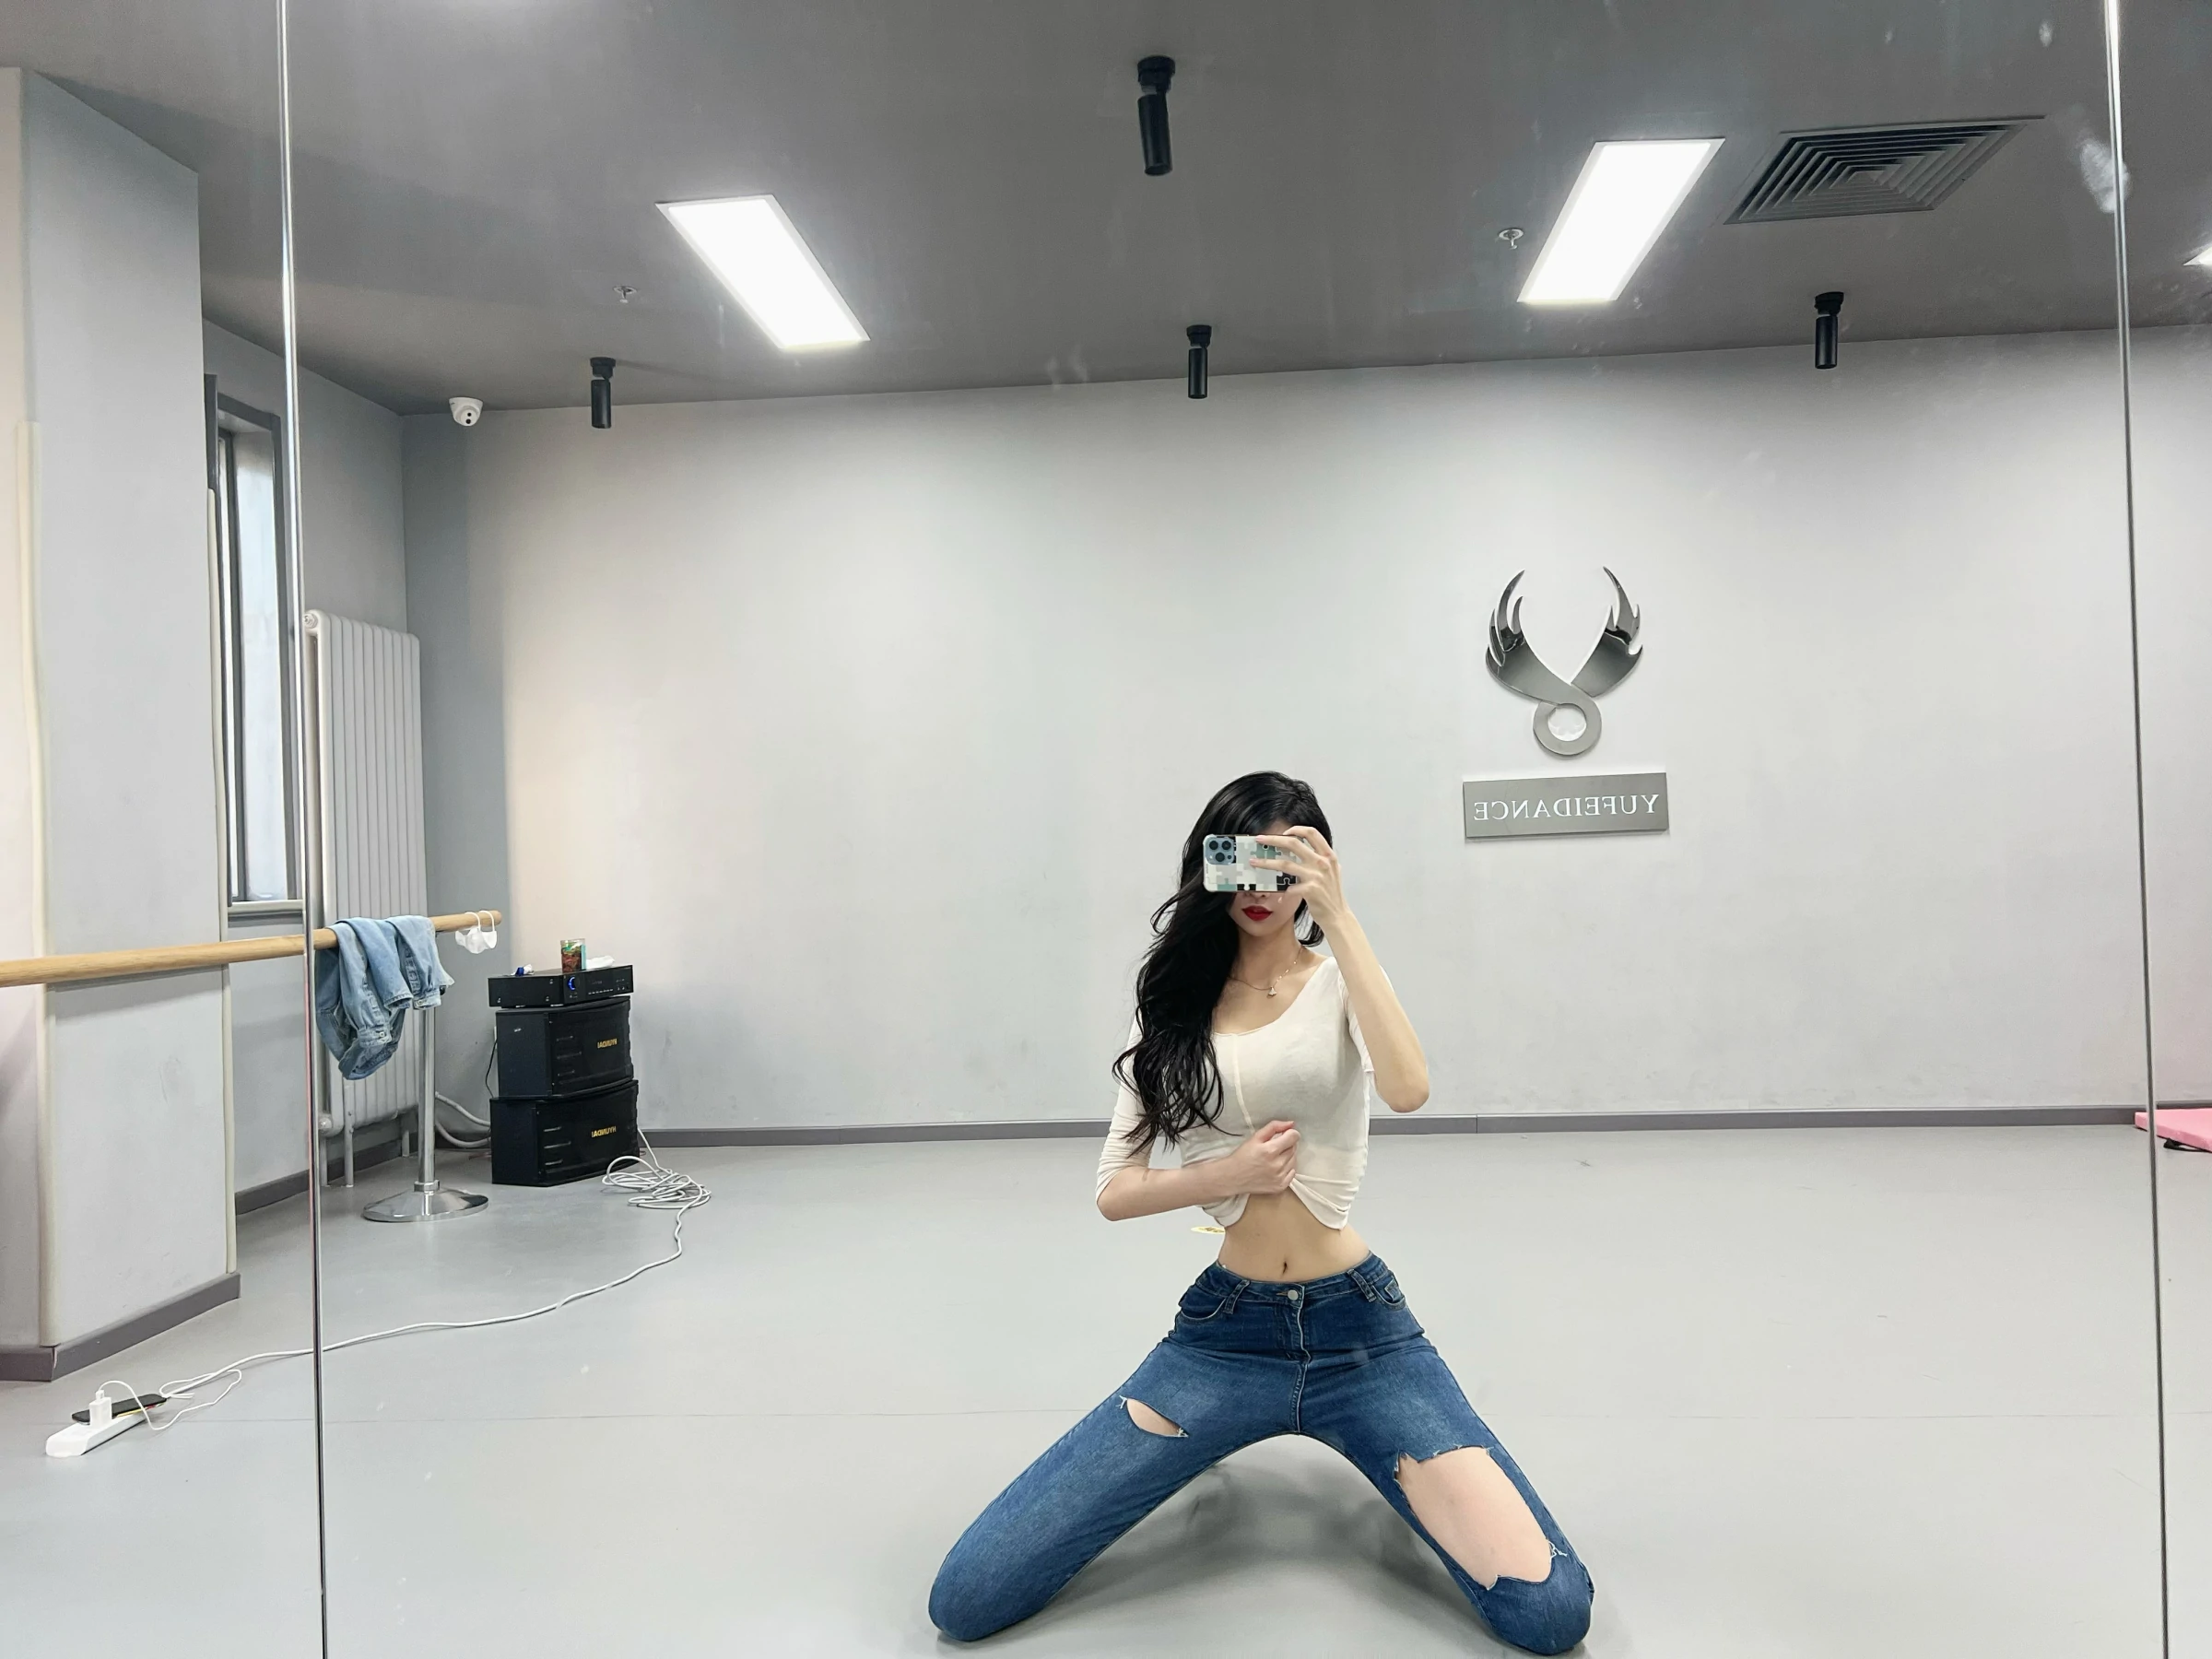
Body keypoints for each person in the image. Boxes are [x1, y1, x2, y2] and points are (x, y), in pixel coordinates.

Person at [928, 771, 1594, 1653]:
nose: (1260, 889)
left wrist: (1343, 920)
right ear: (1211, 864)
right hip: (1223, 1342)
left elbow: (1408, 1088)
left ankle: (1387, 1469)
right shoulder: (1175, 1006)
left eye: (1284, 868)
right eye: (1241, 861)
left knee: (1549, 1612)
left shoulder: (1341, 981)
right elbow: (1115, 1190)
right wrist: (1227, 1173)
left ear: (1314, 873)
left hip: (1363, 1338)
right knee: (967, 1597)